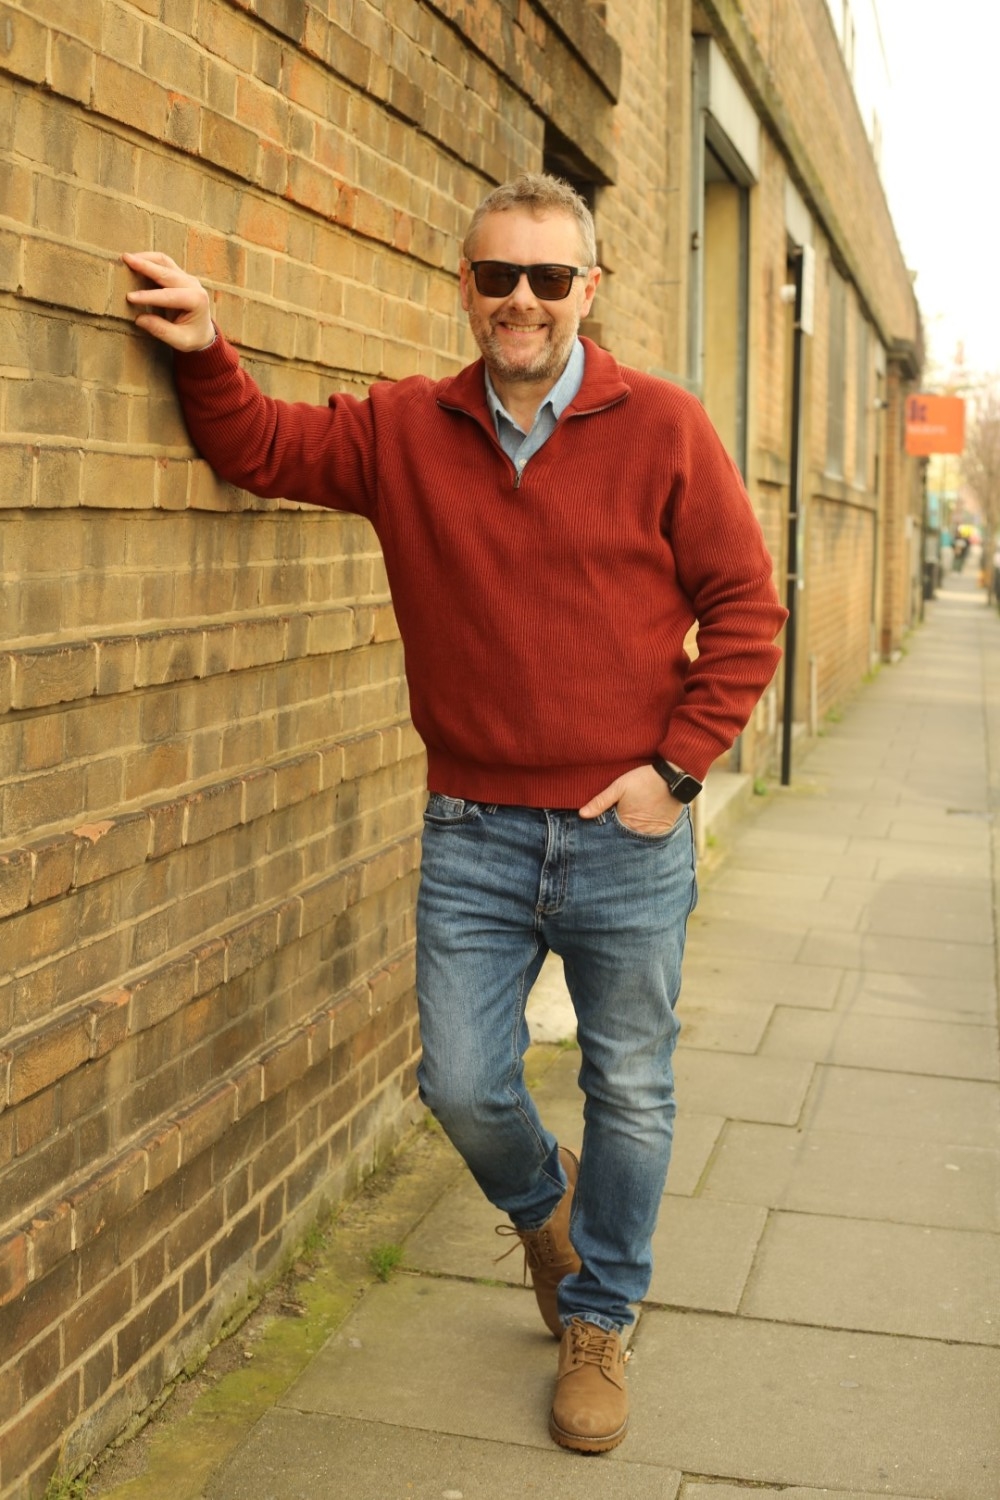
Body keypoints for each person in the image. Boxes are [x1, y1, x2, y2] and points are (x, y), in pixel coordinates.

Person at [123, 173, 786, 1455]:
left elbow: (747, 611)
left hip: (626, 832)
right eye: (497, 276)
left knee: (630, 1084)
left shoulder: (664, 427)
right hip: (473, 829)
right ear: (465, 289)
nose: (521, 299)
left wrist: (674, 773)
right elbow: (259, 447)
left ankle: (600, 1317)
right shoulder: (403, 430)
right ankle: (548, 1215)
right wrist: (207, 350)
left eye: (549, 277)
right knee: (465, 1083)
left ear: (588, 289)